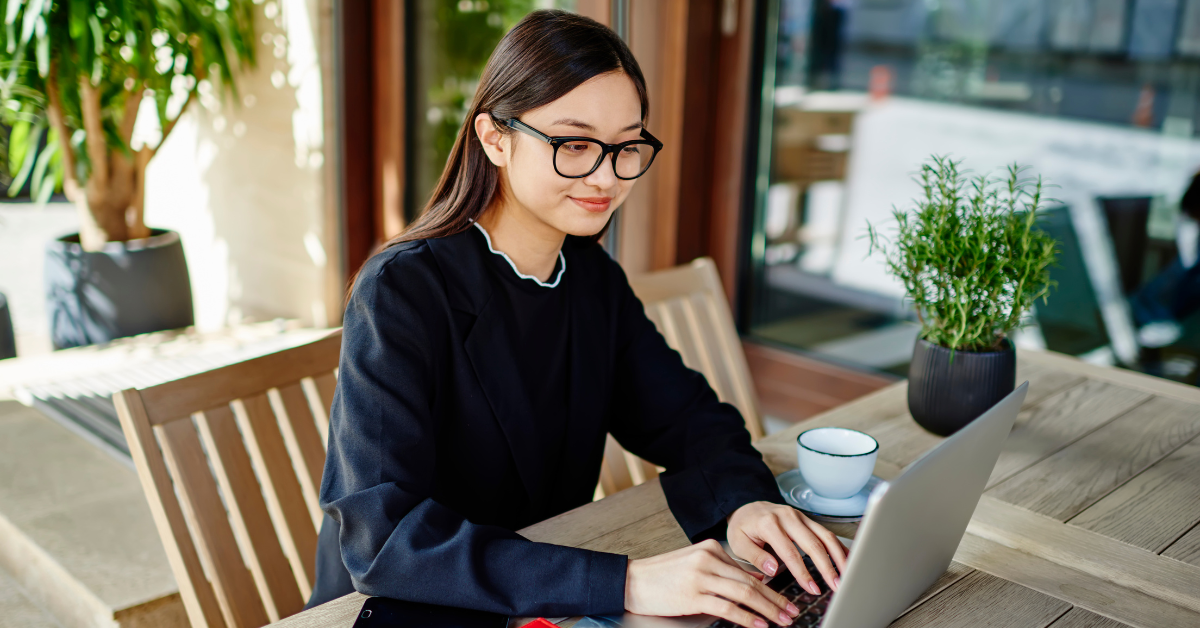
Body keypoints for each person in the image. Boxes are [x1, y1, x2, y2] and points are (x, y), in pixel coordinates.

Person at [309, 10, 847, 628]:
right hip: (408, 609)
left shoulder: (589, 278)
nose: (606, 175)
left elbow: (690, 422)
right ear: (495, 138)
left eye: (626, 145)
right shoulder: (403, 290)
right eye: (575, 143)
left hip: (544, 599)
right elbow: (383, 539)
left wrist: (746, 504)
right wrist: (628, 582)